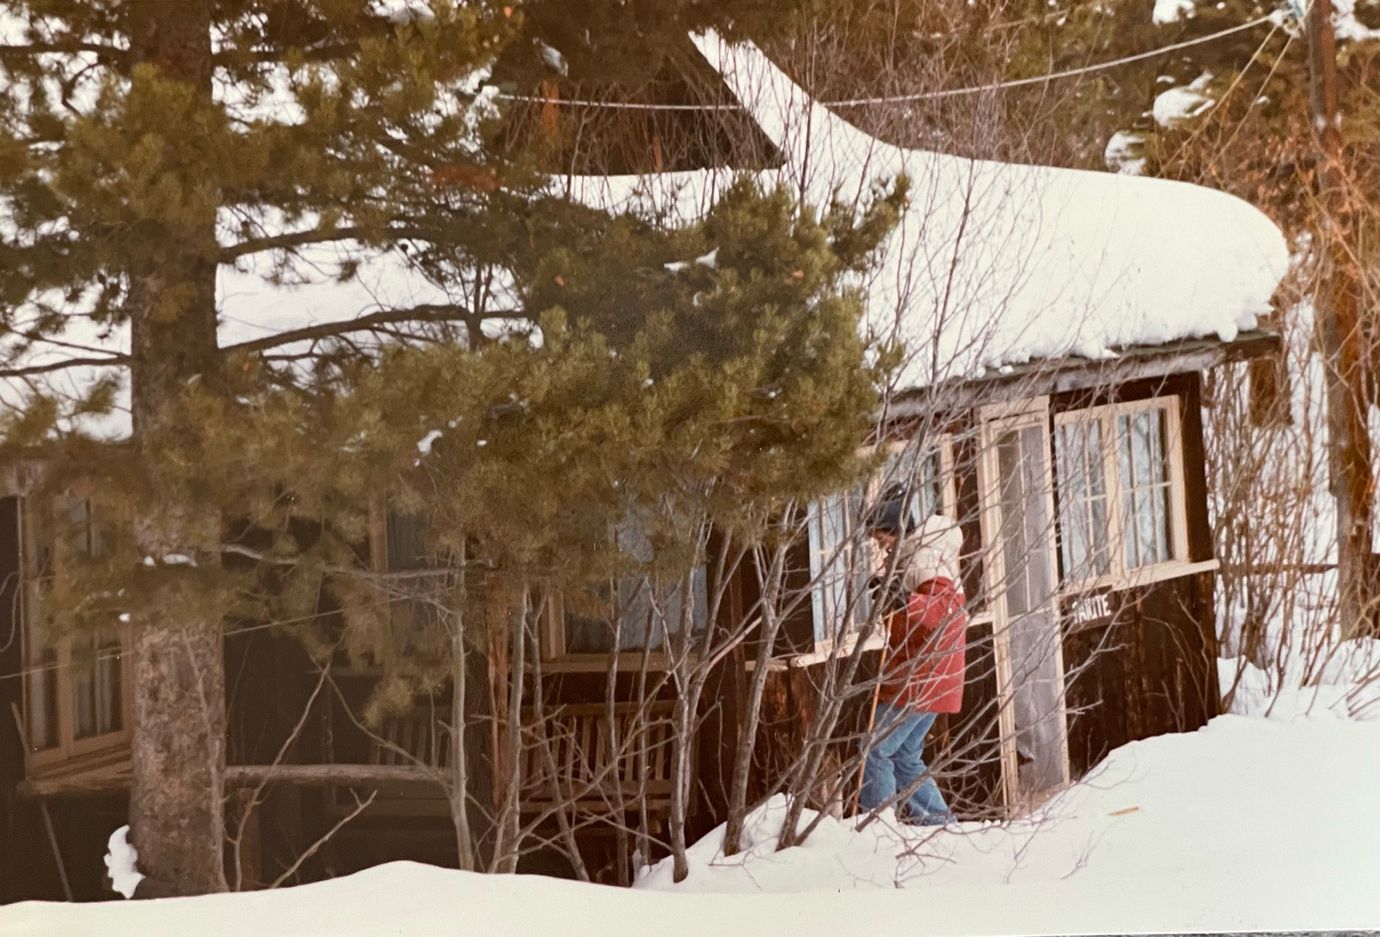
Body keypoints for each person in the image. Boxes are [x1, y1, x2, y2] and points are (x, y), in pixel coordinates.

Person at [860, 504, 968, 825]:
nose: (883, 548)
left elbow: (943, 612)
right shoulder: (914, 558)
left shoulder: (925, 559)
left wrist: (904, 600)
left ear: (897, 530)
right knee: (905, 755)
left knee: (875, 748)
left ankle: (878, 825)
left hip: (922, 674)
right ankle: (939, 824)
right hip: (935, 673)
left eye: (884, 540)